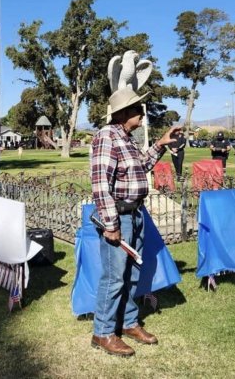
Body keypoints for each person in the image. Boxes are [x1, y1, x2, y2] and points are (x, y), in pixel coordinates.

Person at [90, 86, 180, 357]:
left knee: (133, 275)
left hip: (136, 215)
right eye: (137, 109)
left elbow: (142, 165)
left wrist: (161, 144)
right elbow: (100, 184)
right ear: (122, 113)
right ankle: (103, 332)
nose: (142, 113)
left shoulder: (126, 138)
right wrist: (111, 224)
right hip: (119, 217)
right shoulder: (107, 136)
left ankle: (128, 322)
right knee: (114, 277)